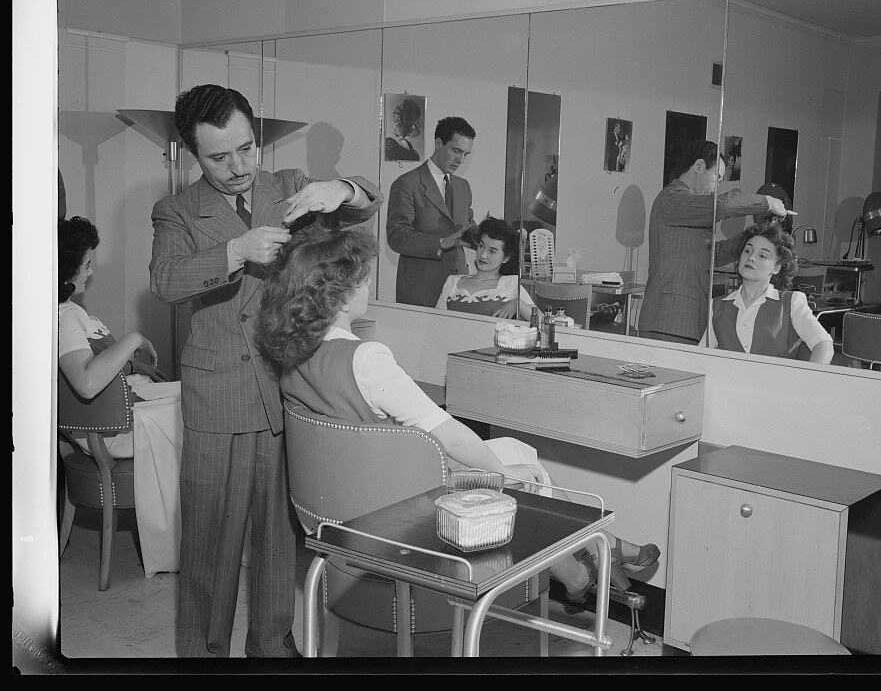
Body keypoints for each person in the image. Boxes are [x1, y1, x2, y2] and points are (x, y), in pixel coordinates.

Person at [255, 223, 660, 605]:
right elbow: (450, 436)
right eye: (363, 279)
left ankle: (585, 567)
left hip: (339, 509)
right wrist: (507, 473)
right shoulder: (365, 358)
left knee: (517, 450)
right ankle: (593, 560)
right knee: (527, 469)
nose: (367, 285)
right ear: (340, 296)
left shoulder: (293, 352)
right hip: (399, 512)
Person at [149, 83, 382, 659]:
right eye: (219, 157)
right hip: (219, 394)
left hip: (285, 386)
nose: (238, 168)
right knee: (209, 545)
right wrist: (234, 252)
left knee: (280, 536)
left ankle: (272, 645)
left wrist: (343, 187)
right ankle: (203, 656)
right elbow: (165, 283)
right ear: (191, 155)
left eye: (247, 149)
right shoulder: (176, 211)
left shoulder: (290, 188)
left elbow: (367, 202)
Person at [58, 216, 183, 577]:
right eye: (86, 263)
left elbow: (95, 369)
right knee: (206, 412)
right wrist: (132, 339)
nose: (91, 271)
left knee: (198, 395)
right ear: (66, 270)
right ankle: (193, 541)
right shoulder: (65, 317)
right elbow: (84, 383)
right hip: (111, 430)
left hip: (119, 416)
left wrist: (133, 367)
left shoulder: (74, 314)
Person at [637, 140, 789, 345]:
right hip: (669, 320)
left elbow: (712, 256)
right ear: (698, 166)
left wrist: (751, 241)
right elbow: (722, 204)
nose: (716, 187)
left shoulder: (686, 208)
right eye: (716, 178)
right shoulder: (671, 199)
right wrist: (768, 202)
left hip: (690, 321)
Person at [704, 220, 834, 364]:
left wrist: (807, 383)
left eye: (762, 256)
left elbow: (824, 345)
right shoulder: (716, 306)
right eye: (747, 250)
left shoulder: (791, 302)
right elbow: (701, 355)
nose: (751, 257)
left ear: (777, 267)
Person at [386, 116, 479, 307]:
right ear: (438, 143)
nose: (460, 160)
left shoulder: (463, 187)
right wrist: (440, 243)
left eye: (466, 155)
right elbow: (397, 236)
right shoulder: (407, 184)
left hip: (458, 288)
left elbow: (467, 229)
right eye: (456, 151)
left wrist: (499, 237)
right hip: (421, 290)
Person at [435, 215, 537, 320]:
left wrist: (518, 305)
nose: (483, 255)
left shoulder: (511, 283)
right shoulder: (452, 281)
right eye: (481, 246)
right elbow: (436, 322)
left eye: (492, 251)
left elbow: (543, 321)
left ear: (505, 258)